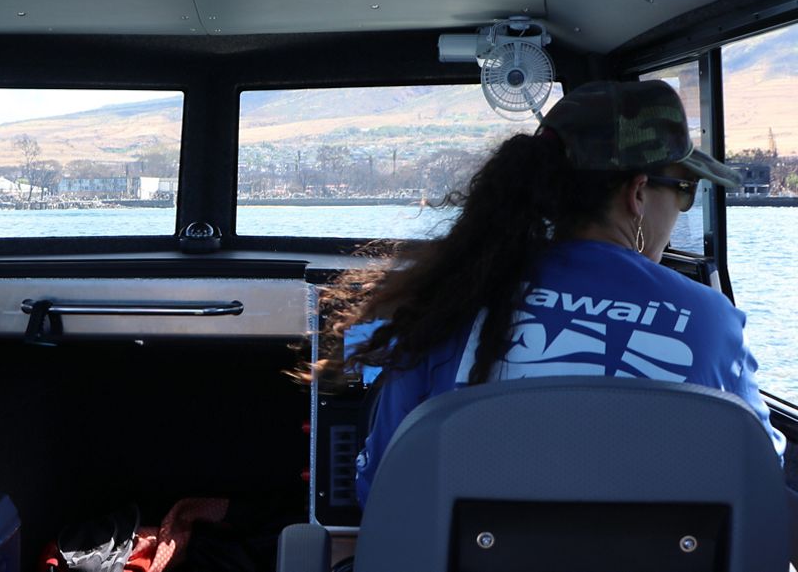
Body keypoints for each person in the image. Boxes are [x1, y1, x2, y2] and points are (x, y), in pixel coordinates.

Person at [320, 79, 785, 508]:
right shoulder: (709, 319)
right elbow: (760, 474)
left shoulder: (452, 301)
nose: (683, 208)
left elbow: (381, 486)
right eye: (684, 190)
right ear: (638, 193)